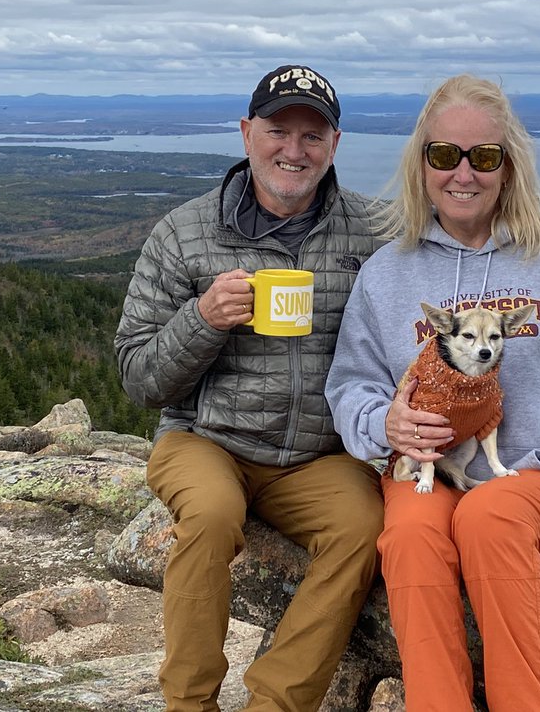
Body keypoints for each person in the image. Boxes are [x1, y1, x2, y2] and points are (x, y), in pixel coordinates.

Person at [325, 74, 540, 712]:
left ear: (508, 166)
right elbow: (351, 385)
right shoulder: (387, 272)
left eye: (483, 157)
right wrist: (385, 425)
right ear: (421, 164)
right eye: (442, 155)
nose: (463, 173)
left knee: (490, 515)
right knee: (409, 537)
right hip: (432, 471)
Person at [115, 64, 385, 712]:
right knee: (208, 517)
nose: (293, 150)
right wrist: (203, 319)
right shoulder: (184, 233)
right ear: (246, 133)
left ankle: (274, 705)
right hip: (207, 440)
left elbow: (445, 307)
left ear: (335, 145)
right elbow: (137, 375)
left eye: (311, 136)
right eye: (277, 131)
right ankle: (189, 703)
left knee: (363, 529)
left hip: (319, 455)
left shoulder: (376, 231)